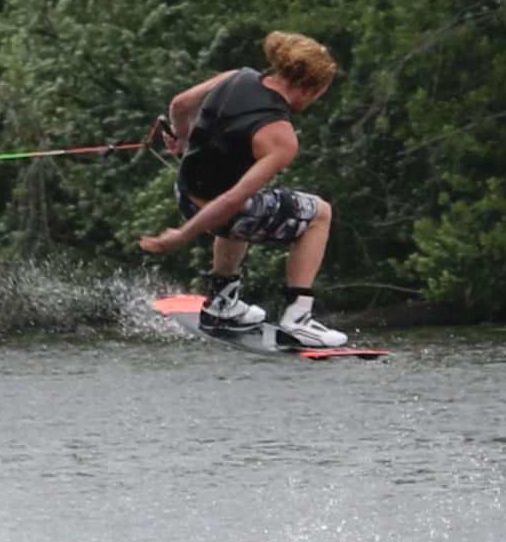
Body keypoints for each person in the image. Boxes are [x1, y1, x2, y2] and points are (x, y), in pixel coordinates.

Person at [140, 31, 350, 348]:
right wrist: (183, 236)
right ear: (308, 88)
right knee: (319, 213)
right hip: (216, 211)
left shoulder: (236, 78)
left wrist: (182, 139)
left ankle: (222, 301)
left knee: (248, 201)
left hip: (185, 194)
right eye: (320, 93)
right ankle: (299, 317)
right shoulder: (280, 136)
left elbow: (180, 104)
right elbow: (233, 199)